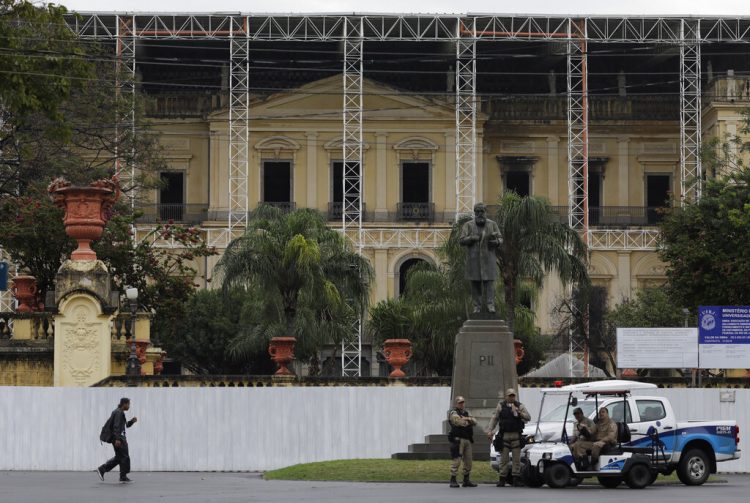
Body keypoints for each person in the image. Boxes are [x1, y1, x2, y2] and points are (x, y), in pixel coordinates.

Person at [459, 203, 502, 314]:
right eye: (477, 212)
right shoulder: (468, 225)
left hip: (488, 259)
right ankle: (476, 306)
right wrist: (472, 238)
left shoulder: (492, 224)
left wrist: (496, 242)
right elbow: (461, 240)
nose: (479, 214)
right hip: (473, 260)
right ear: (474, 213)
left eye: (481, 211)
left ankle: (490, 305)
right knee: (475, 284)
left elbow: (500, 239)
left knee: (489, 284)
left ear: (485, 212)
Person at [486, 388, 530, 487]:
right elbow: (495, 418)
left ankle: (516, 479)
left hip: (516, 435)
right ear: (506, 396)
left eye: (513, 395)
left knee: (516, 459)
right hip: (504, 436)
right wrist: (490, 430)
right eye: (510, 395)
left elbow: (528, 417)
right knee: (504, 459)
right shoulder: (501, 406)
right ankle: (502, 479)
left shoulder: (520, 406)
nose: (511, 397)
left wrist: (519, 413)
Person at [97, 397, 138, 483]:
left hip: (119, 437)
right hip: (119, 438)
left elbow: (125, 425)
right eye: (128, 404)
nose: (129, 406)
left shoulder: (119, 412)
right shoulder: (118, 412)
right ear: (124, 404)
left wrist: (132, 421)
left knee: (120, 457)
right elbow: (116, 427)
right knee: (125, 456)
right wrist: (117, 439)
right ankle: (121, 476)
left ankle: (103, 470)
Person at [448, 396, 478, 488]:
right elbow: (459, 422)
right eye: (460, 403)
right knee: (457, 460)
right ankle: (453, 479)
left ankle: (466, 480)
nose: (462, 404)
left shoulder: (466, 413)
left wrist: (467, 419)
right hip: (458, 440)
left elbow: (475, 421)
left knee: (468, 461)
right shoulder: (453, 412)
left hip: (467, 439)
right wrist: (467, 420)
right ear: (456, 403)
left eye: (463, 402)